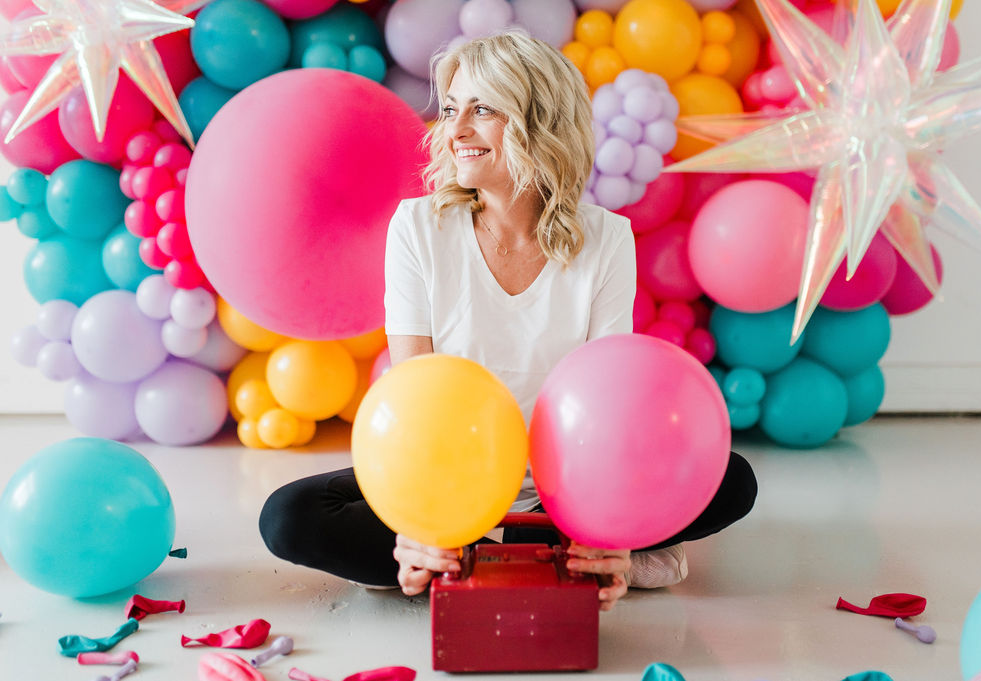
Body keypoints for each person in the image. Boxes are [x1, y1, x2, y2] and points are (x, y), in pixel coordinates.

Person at [259, 32, 756, 611]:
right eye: (450, 110)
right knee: (289, 517)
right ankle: (505, 552)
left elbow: (611, 408)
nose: (456, 129)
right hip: (452, 477)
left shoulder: (606, 239)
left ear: (539, 121)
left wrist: (610, 524)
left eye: (482, 109)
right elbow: (414, 395)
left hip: (568, 484)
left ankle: (540, 548)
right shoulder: (416, 228)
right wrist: (420, 522)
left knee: (732, 480)